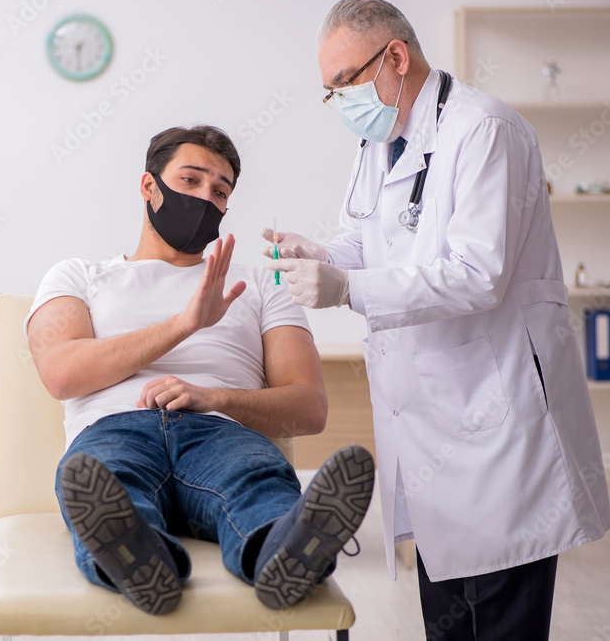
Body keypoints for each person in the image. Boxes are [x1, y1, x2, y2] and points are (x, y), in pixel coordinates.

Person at [266, 0, 610, 640]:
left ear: (395, 56)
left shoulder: (485, 129)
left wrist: (347, 288)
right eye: (330, 91)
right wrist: (319, 255)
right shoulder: (381, 142)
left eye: (345, 82)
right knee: (447, 622)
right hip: (431, 431)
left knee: (502, 619)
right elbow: (366, 243)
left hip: (498, 421)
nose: (340, 101)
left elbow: (477, 273)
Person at [25, 125, 375, 615]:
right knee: (110, 486)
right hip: (113, 430)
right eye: (189, 181)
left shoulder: (261, 284)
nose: (205, 198)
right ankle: (145, 560)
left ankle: (284, 553)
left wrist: (214, 398)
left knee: (256, 483)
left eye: (220, 191)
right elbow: (61, 374)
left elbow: (309, 408)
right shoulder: (77, 276)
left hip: (220, 431)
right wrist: (186, 323)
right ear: (149, 187)